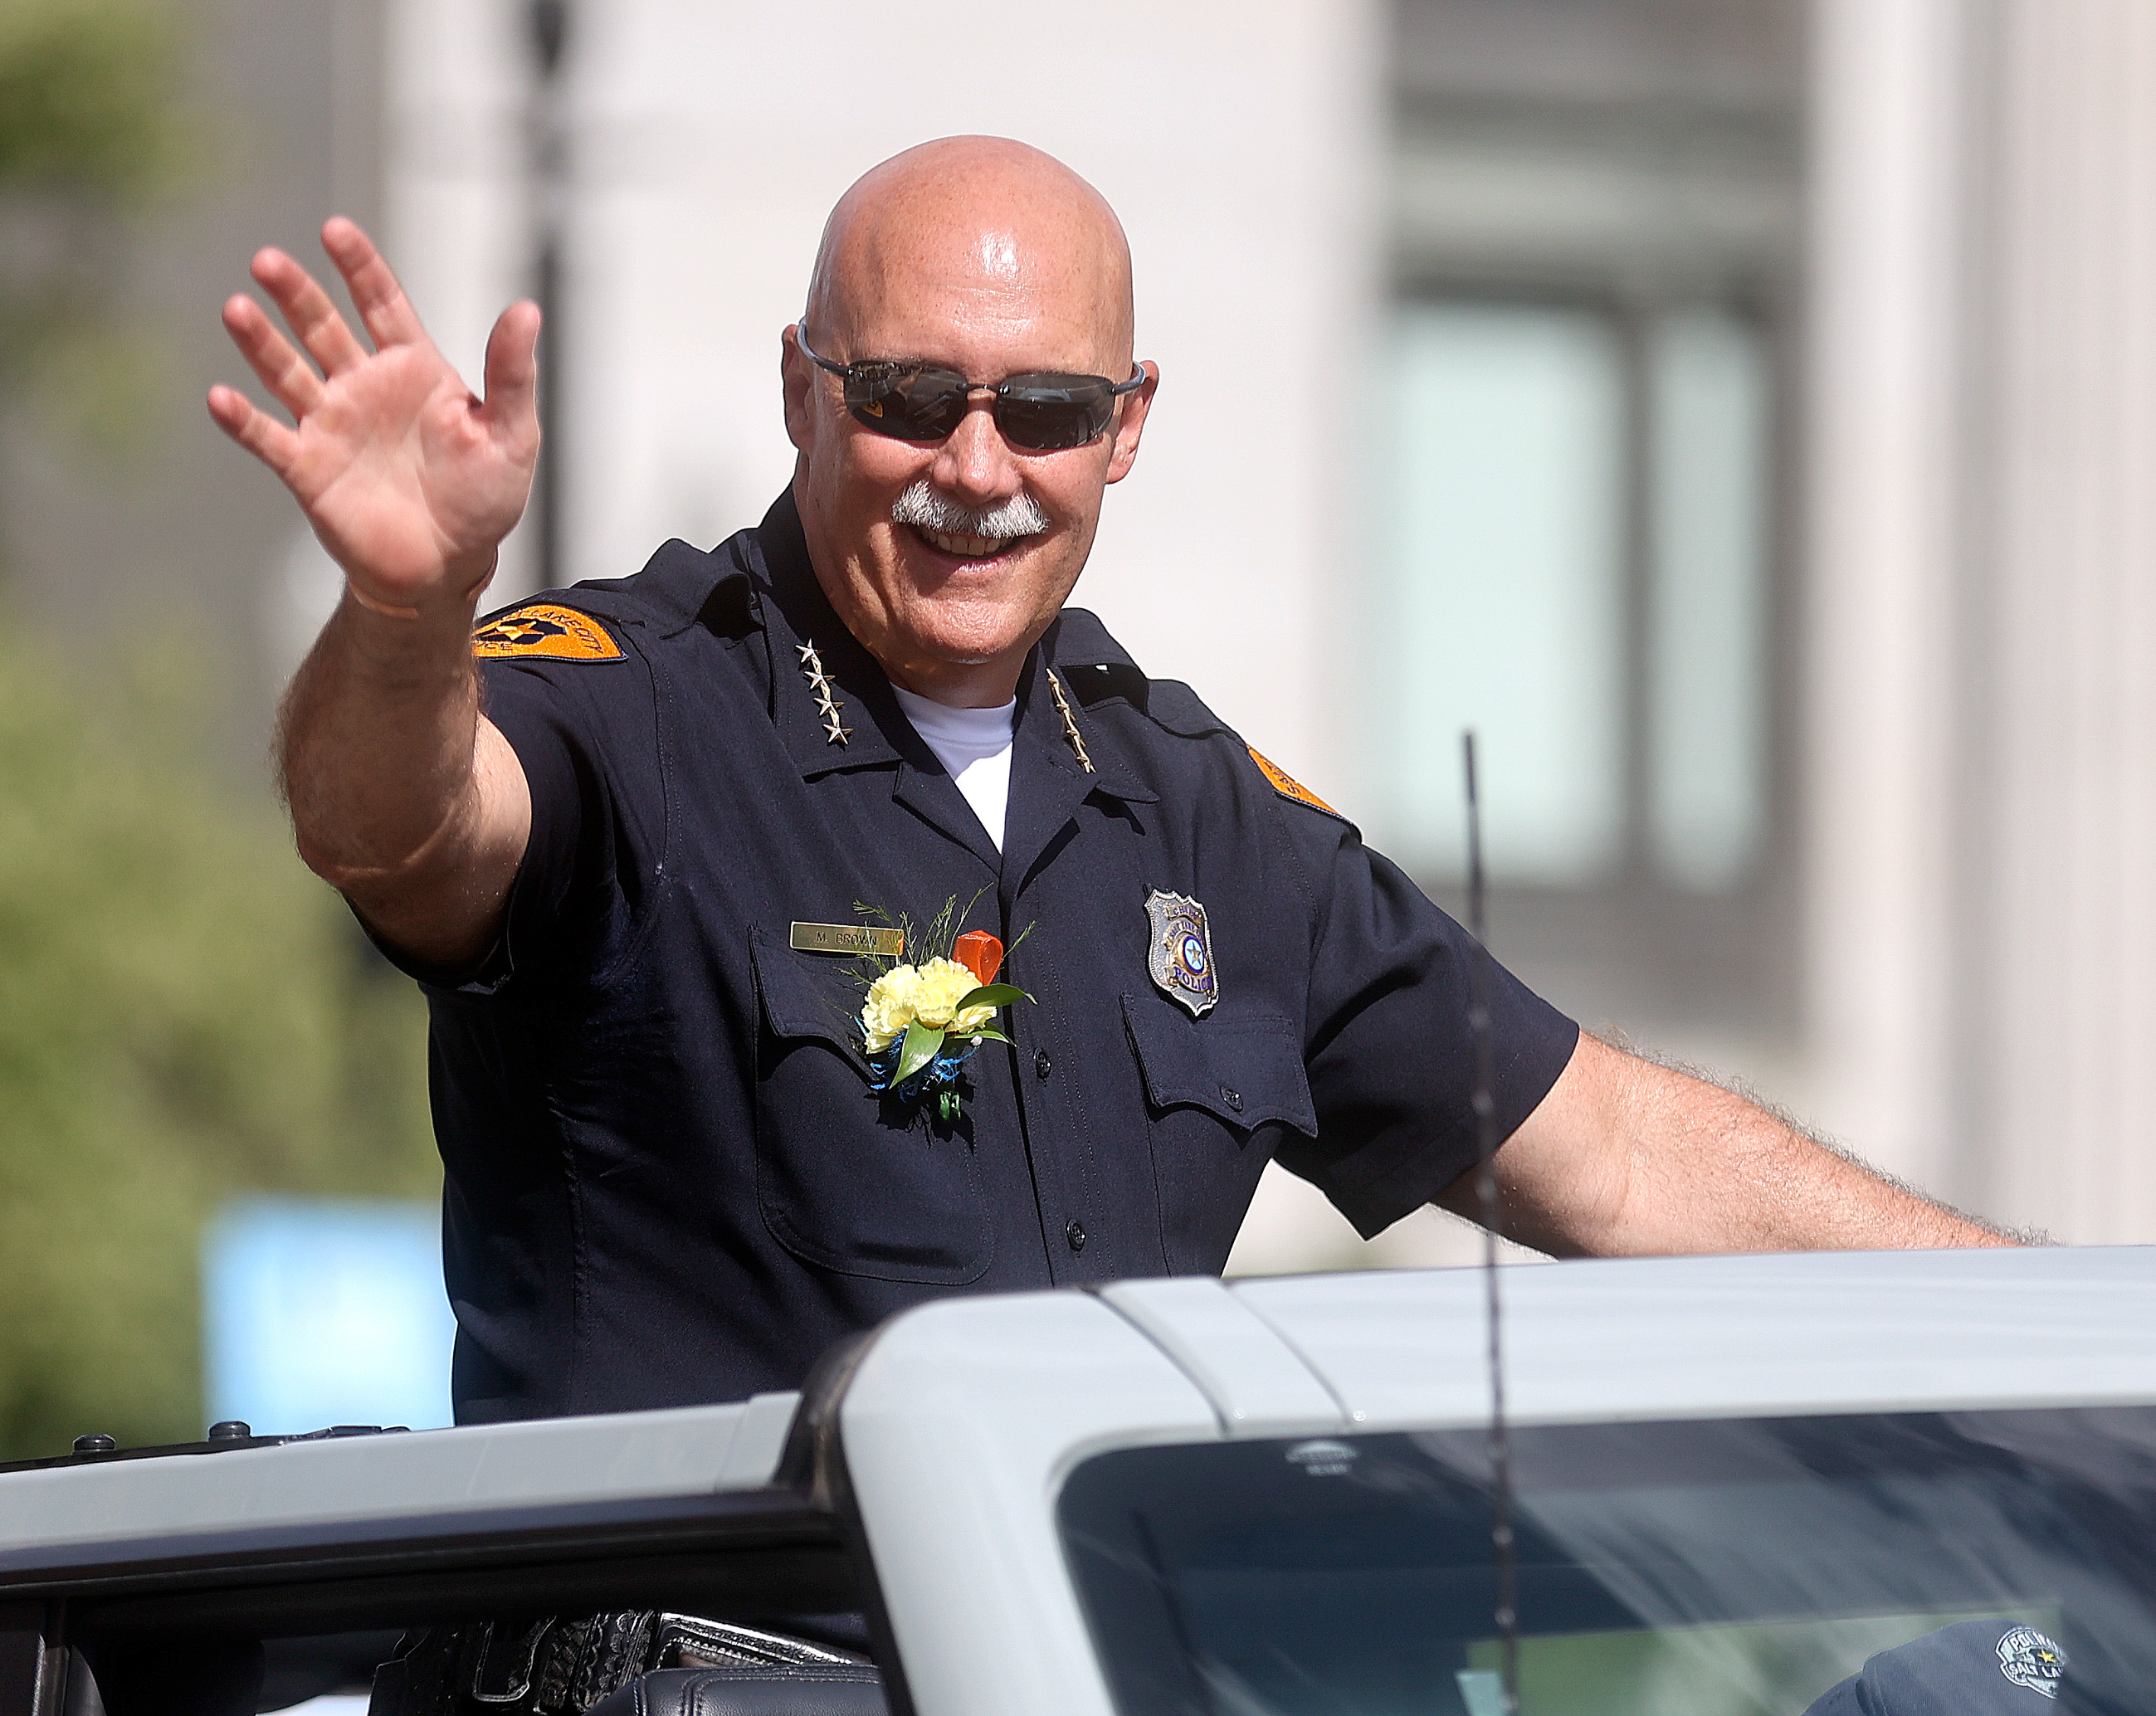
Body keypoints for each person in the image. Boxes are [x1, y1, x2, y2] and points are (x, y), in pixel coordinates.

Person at [209, 136, 2011, 1426]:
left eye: (1048, 411)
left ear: (1128, 422)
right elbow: (397, 821)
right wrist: (407, 600)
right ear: (800, 391)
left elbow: (1617, 1162)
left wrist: (2073, 1323)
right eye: (912, 395)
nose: (977, 469)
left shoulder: (1201, 813)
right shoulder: (644, 706)